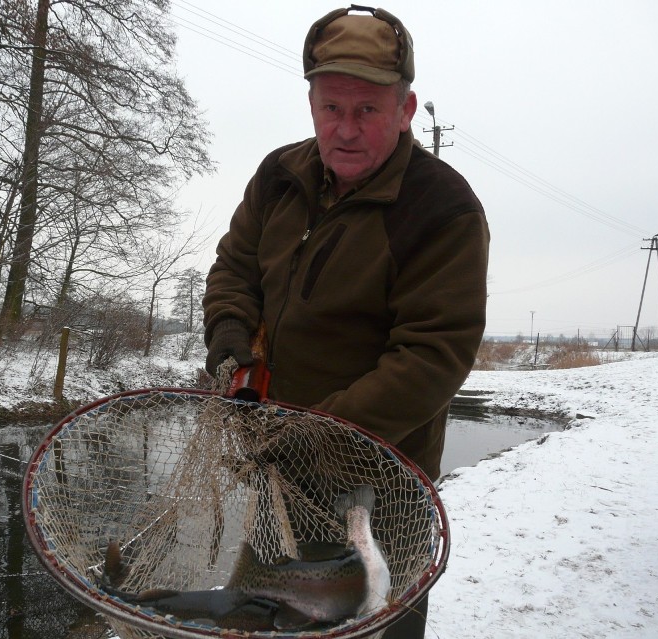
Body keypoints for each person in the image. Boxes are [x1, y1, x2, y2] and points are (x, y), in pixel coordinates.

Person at [202, 5, 489, 637]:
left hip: (380, 486)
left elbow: (433, 355)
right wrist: (228, 335)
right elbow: (234, 269)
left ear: (405, 109)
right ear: (312, 105)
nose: (347, 129)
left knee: (375, 623)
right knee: (278, 617)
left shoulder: (442, 208)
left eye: (368, 110)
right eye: (333, 108)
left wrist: (323, 434)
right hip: (278, 464)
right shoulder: (281, 174)